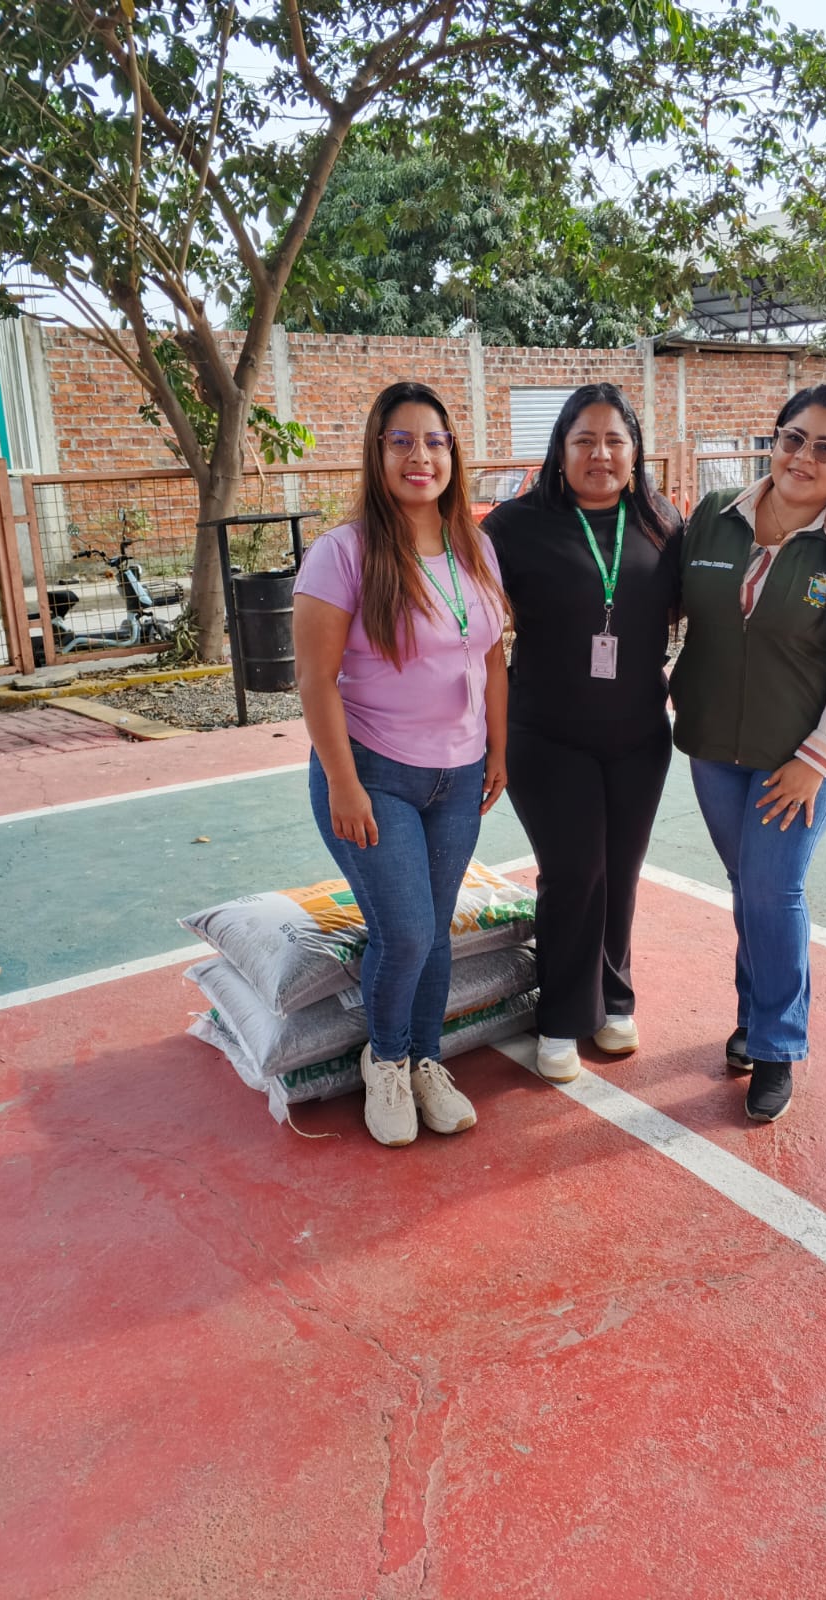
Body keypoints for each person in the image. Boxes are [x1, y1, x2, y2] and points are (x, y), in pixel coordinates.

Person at [670, 383, 826, 1123]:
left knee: (772, 889)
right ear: (774, 440)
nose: (804, 457)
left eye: (825, 447)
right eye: (793, 438)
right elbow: (662, 606)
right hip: (714, 745)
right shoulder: (715, 517)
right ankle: (754, 1016)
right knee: (749, 885)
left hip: (801, 759)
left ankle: (776, 1044)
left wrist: (815, 760)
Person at [293, 381, 508, 1148]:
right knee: (408, 933)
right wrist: (343, 783)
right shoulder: (342, 553)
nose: (422, 456)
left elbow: (491, 656)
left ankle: (425, 1062)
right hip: (374, 773)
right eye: (402, 441)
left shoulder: (475, 546)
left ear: (453, 454)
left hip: (459, 775)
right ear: (377, 453)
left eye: (436, 442)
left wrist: (499, 748)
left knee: (437, 933)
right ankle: (384, 1061)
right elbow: (315, 679)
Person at [484, 383, 682, 1084]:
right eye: (584, 440)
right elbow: (469, 626)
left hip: (638, 736)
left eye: (615, 440)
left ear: (635, 450)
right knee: (575, 872)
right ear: (560, 450)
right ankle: (562, 1016)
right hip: (546, 734)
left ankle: (614, 998)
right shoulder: (513, 527)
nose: (601, 454)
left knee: (619, 872)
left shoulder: (662, 520)